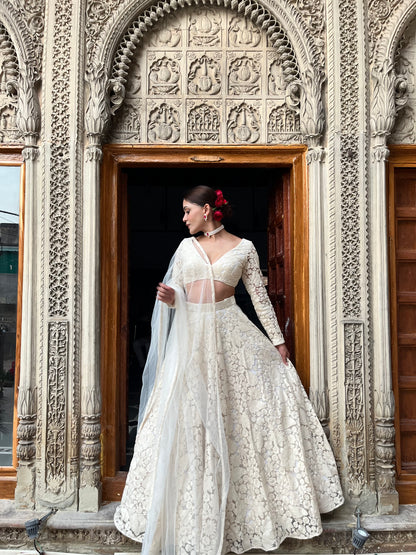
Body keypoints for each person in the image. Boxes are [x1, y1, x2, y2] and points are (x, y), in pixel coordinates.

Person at [114, 186, 344, 555]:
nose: (183, 218)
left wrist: (277, 342)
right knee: (186, 419)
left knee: (239, 417)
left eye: (187, 210)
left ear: (207, 210)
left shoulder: (245, 249)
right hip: (191, 341)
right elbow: (177, 297)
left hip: (231, 332)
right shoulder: (185, 249)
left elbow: (259, 298)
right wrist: (174, 300)